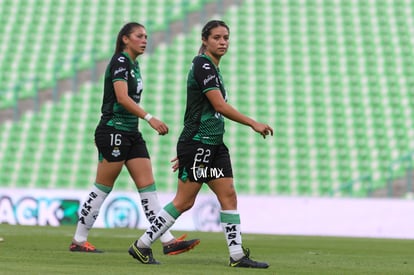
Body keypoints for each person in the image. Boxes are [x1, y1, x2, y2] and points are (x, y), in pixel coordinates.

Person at [128, 20, 273, 268]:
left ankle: (237, 255)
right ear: (205, 40)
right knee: (184, 201)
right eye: (217, 37)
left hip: (214, 145)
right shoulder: (203, 65)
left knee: (228, 195)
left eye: (226, 37)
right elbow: (219, 106)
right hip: (199, 144)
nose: (223, 42)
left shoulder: (212, 68)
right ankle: (141, 245)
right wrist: (252, 123)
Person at [69, 22, 200, 255]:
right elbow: (121, 97)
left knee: (148, 189)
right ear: (125, 39)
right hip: (113, 130)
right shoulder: (120, 61)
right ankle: (79, 240)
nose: (145, 40)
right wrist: (150, 118)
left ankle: (167, 241)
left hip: (131, 132)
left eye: (146, 36)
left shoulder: (134, 65)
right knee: (102, 188)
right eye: (139, 36)